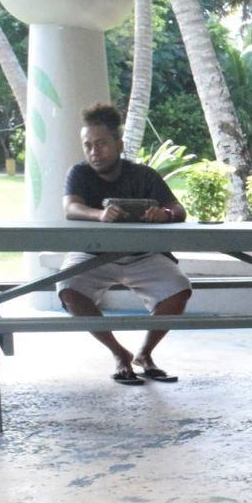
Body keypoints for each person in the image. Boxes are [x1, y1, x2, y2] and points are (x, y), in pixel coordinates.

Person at [60, 102, 191, 385]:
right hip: (92, 254)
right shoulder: (79, 173)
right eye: (88, 145)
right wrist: (99, 214)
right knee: (69, 291)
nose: (95, 152)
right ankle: (119, 353)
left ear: (119, 144)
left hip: (142, 255)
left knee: (179, 291)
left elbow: (178, 209)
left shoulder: (143, 175)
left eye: (102, 144)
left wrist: (164, 214)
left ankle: (145, 353)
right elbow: (71, 208)